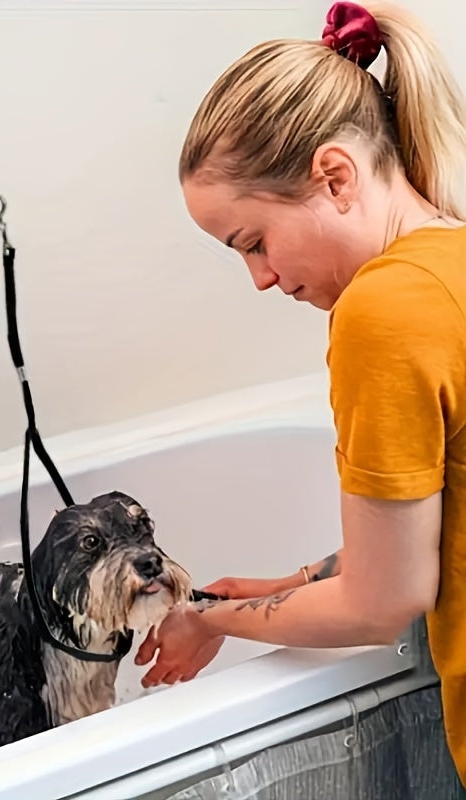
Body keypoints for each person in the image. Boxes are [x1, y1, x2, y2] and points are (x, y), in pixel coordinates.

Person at [133, 0, 466, 786]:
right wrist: (286, 587)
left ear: (334, 176)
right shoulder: (451, 264)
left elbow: (386, 601)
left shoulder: (381, 313)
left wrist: (208, 621)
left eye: (253, 242)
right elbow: (440, 522)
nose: (261, 278)